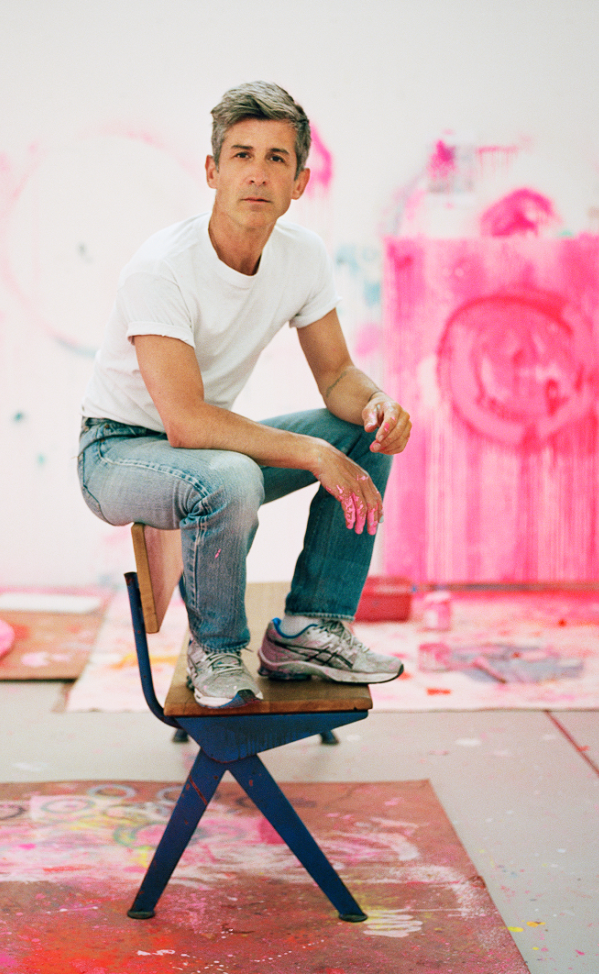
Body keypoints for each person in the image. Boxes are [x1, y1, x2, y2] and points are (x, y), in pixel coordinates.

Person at [78, 81, 412, 709]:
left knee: (360, 435)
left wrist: (377, 403)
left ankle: (311, 628)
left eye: (276, 158)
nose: (257, 173)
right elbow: (185, 423)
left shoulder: (302, 257)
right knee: (231, 477)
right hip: (116, 453)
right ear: (213, 171)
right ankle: (216, 650)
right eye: (241, 155)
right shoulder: (162, 268)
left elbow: (337, 376)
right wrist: (311, 453)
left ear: (299, 182)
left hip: (205, 451)